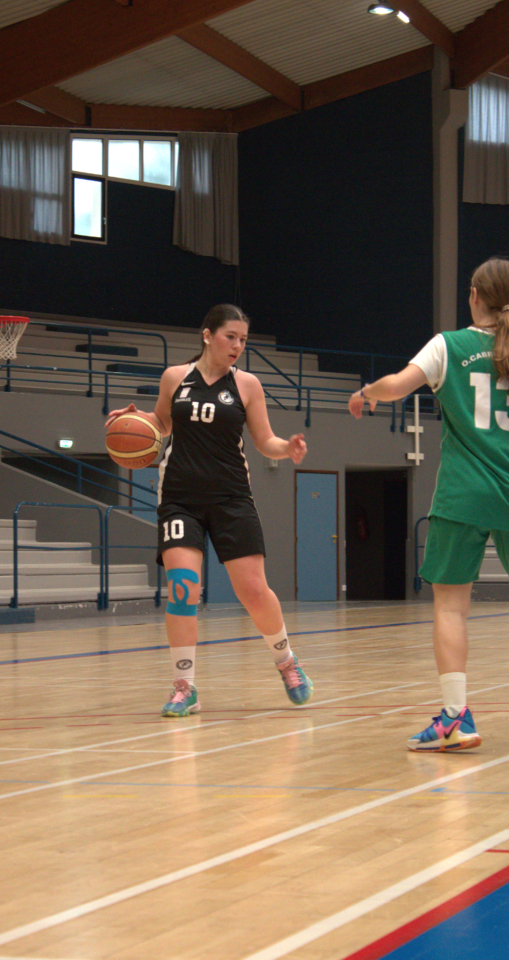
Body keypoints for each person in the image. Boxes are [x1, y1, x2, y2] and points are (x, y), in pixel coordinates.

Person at [349, 257, 509, 752]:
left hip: (463, 493)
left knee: (451, 605)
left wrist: (366, 393)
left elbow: (396, 386)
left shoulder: (449, 346)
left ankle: (455, 718)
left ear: (474, 295)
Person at [106, 304, 313, 717]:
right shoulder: (175, 377)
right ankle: (184, 686)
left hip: (231, 497)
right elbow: (163, 423)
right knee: (183, 588)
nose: (237, 345)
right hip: (179, 497)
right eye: (230, 336)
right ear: (207, 335)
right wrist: (137, 419)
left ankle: (286, 661)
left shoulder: (248, 384)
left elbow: (264, 440)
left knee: (253, 591)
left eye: (243, 340)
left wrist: (286, 449)